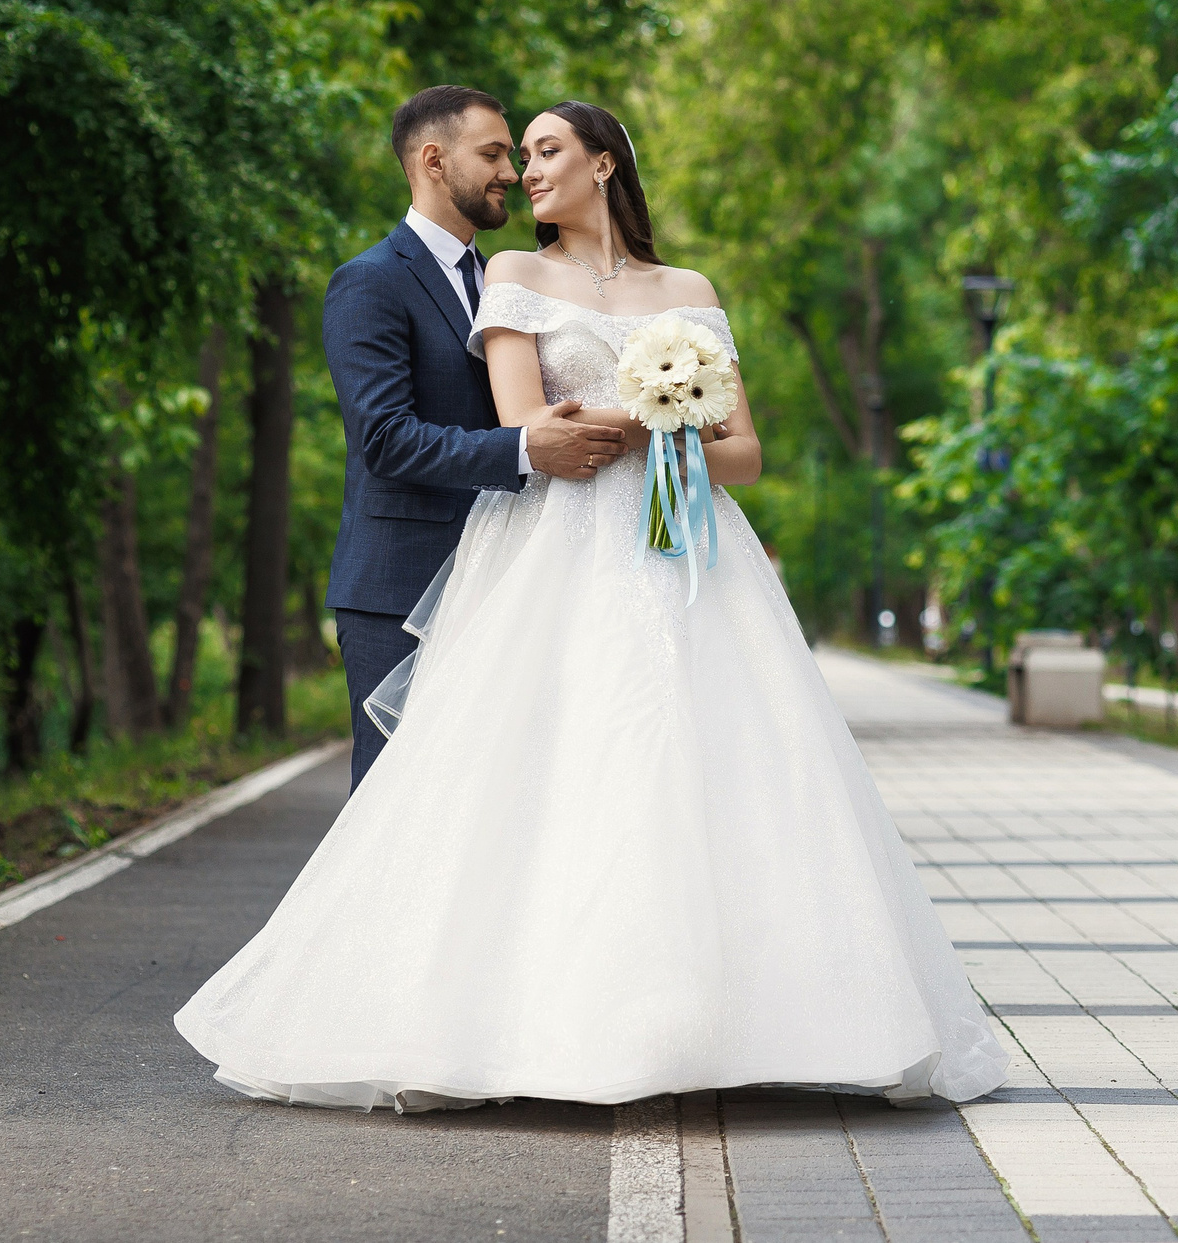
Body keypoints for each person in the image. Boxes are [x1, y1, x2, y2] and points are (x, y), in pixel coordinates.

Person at [175, 100, 1006, 1110]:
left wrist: (676, 423)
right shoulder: (515, 278)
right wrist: (657, 410)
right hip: (557, 550)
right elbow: (527, 424)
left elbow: (740, 451)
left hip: (688, 552)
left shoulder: (688, 291)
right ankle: (491, 1024)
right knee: (535, 774)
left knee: (716, 768)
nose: (525, 171)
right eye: (512, 154)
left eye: (543, 151)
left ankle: (734, 1021)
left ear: (604, 165)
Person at [317, 86, 625, 785]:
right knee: (395, 800)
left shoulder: (508, 282)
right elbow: (386, 438)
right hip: (400, 581)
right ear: (433, 160)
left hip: (512, 577)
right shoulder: (367, 283)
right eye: (492, 154)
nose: (512, 172)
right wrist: (522, 450)